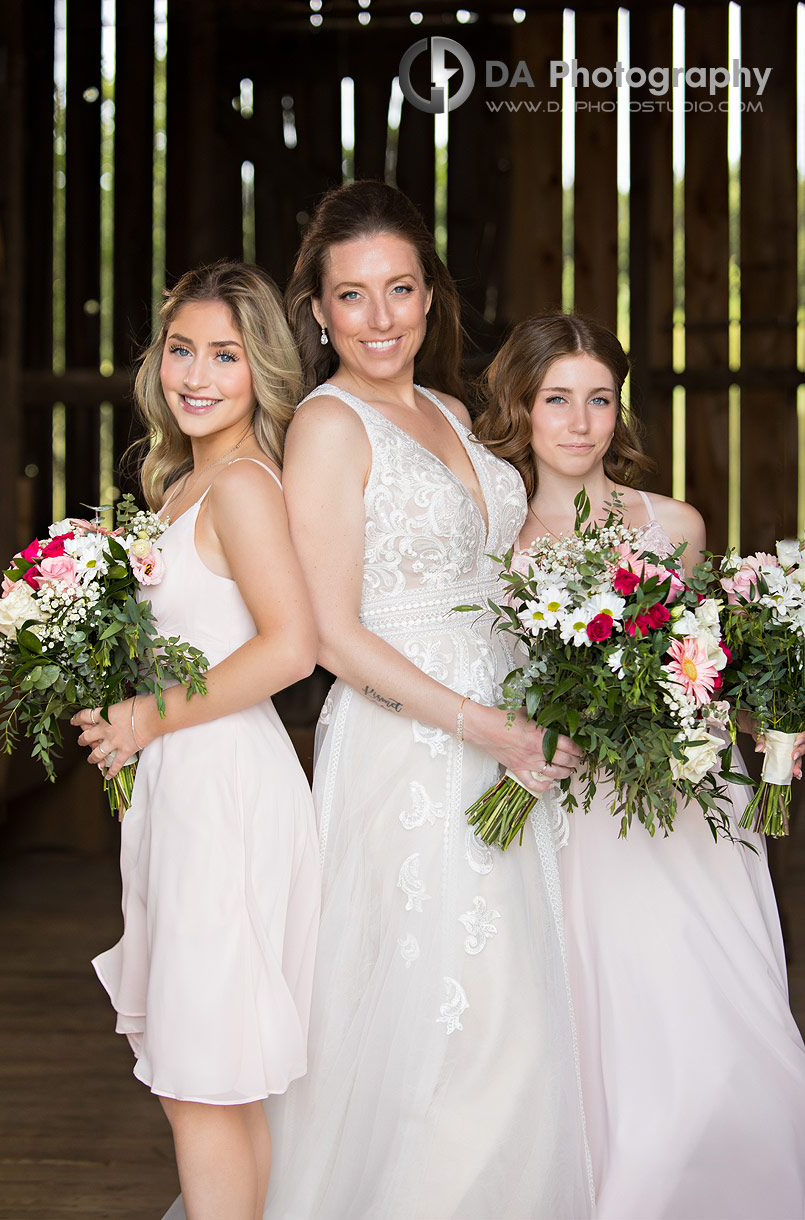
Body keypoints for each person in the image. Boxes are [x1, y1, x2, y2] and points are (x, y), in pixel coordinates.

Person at [256, 180, 593, 1220]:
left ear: (431, 294)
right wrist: (479, 720)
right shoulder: (326, 425)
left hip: (510, 728)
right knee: (468, 1018)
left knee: (526, 1007)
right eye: (352, 297)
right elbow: (330, 632)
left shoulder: (451, 409)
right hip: (415, 745)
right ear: (316, 308)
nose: (382, 317)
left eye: (401, 288)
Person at [474, 310, 805, 1219]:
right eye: (556, 401)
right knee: (607, 1028)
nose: (580, 423)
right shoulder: (492, 538)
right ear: (520, 407)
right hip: (574, 816)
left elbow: (703, 663)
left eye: (600, 400)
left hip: (685, 802)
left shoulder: (676, 526)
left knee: (712, 1020)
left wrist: (770, 717)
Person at [72, 261, 321, 1220]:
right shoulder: (181, 480)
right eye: (182, 350)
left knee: (201, 1078)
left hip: (222, 791)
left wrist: (147, 716)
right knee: (214, 1080)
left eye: (225, 354)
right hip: (188, 787)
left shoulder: (245, 487)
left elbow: (291, 646)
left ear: (260, 368)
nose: (198, 374)